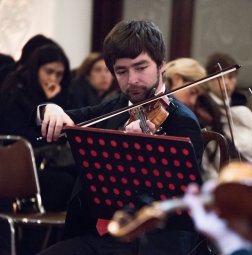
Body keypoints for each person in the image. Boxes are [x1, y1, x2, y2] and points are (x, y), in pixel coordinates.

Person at [37, 20, 204, 255]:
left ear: (161, 65)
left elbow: (179, 201)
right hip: (101, 236)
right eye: (122, 71)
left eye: (141, 67)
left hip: (152, 241)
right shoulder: (115, 107)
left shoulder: (182, 121)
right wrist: (51, 108)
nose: (132, 80)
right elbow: (67, 118)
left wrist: (142, 152)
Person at [0, 44, 75, 212]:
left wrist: (56, 101)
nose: (54, 79)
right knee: (65, 182)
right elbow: (19, 135)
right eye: (49, 72)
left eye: (59, 74)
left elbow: (63, 130)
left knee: (79, 178)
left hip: (45, 161)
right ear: (36, 70)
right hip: (18, 165)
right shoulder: (15, 93)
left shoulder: (60, 94)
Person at [196, 53, 252, 179]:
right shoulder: (201, 106)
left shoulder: (245, 103)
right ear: (208, 79)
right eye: (220, 78)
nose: (227, 83)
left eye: (231, 77)